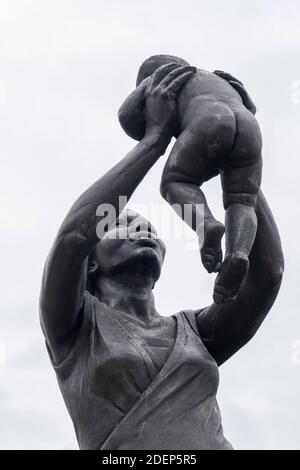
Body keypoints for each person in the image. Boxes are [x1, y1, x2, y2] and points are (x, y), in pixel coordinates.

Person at [40, 64, 284, 450]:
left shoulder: (196, 333)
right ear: (91, 261)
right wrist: (153, 141)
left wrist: (236, 164)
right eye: (122, 224)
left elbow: (267, 274)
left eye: (151, 229)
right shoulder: (74, 328)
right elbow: (73, 237)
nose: (144, 230)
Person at [118, 55, 262, 304]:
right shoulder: (215, 79)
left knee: (176, 181)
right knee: (243, 200)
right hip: (250, 126)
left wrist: (154, 125)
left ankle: (206, 224)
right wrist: (248, 107)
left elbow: (126, 116)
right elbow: (249, 106)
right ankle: (239, 252)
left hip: (208, 122)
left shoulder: (161, 78)